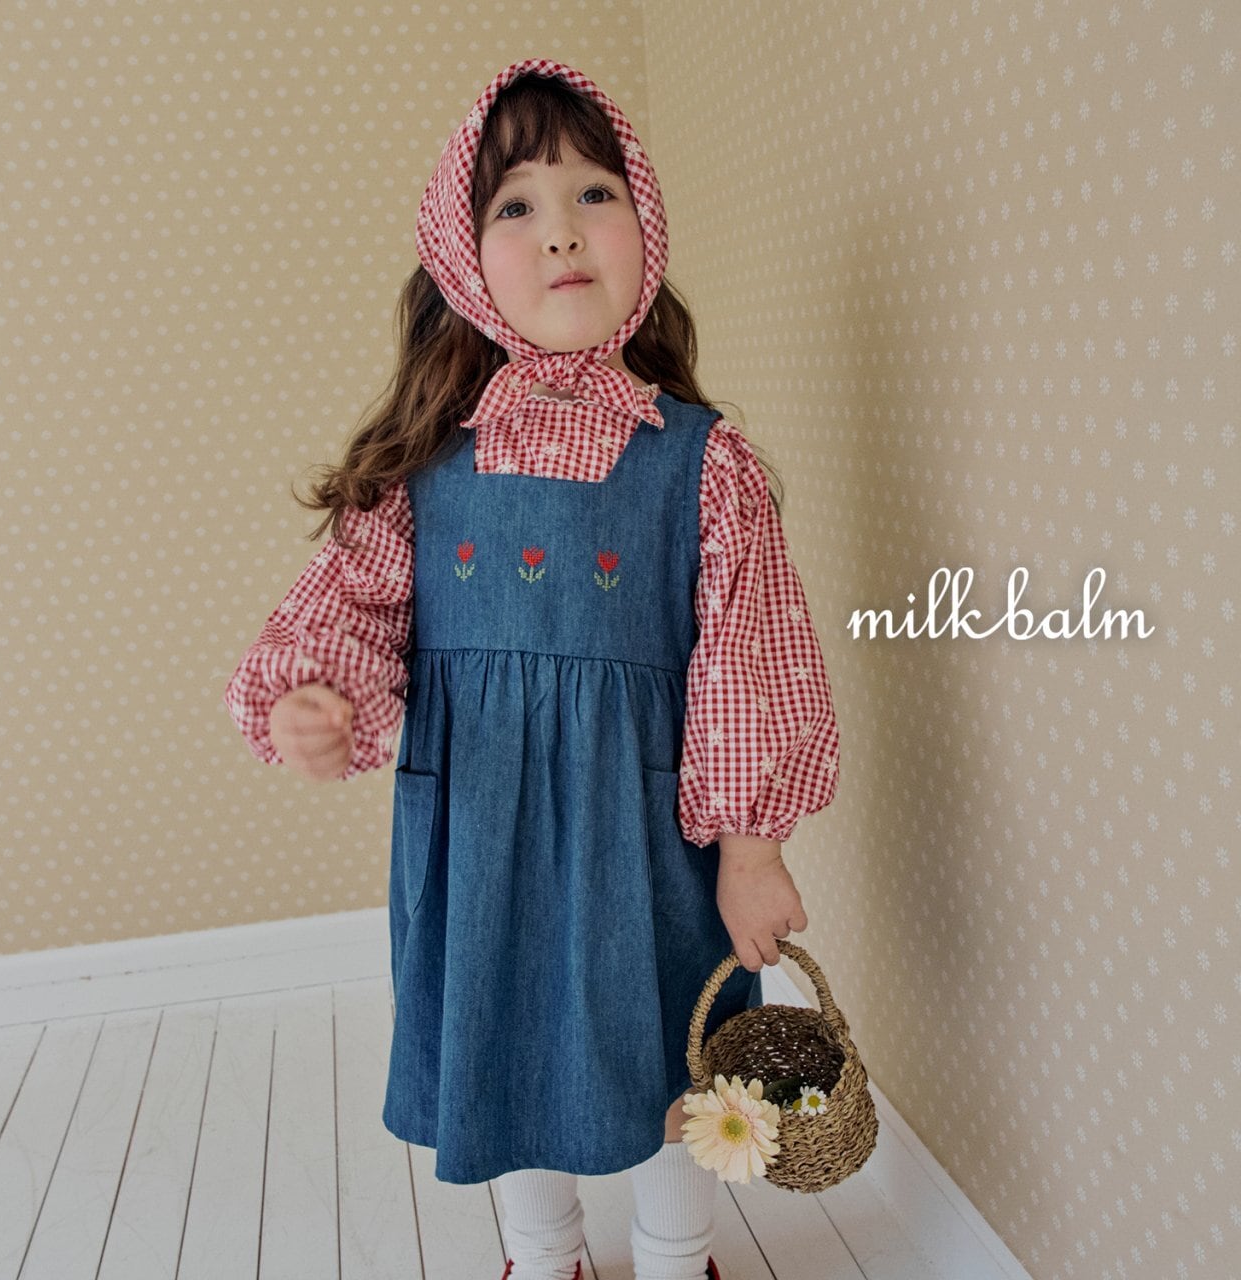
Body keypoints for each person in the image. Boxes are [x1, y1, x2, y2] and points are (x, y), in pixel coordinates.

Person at [224, 58, 839, 1280]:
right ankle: (542, 1252)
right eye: (515, 205)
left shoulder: (701, 464)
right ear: (461, 262)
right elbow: (347, 613)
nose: (560, 229)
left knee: (678, 1047)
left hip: (649, 842)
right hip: (478, 837)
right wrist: (316, 698)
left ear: (642, 224)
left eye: (592, 193)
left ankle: (676, 1256)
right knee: (498, 1039)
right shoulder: (419, 466)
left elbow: (750, 660)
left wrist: (751, 849)